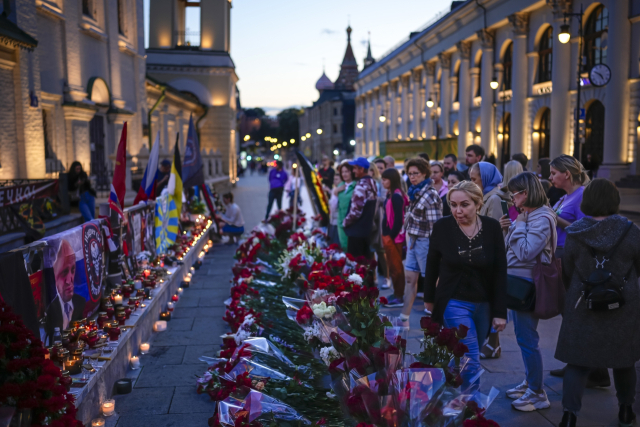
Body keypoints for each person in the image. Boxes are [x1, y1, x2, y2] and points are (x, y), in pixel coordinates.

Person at [555, 179, 640, 427]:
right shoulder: (631, 231)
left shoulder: (575, 231)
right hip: (623, 305)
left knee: (578, 361)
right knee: (624, 361)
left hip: (583, 303)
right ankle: (626, 411)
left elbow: (567, 269)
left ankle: (569, 416)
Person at [424, 181, 507, 391]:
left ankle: (439, 389)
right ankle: (471, 411)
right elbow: (431, 265)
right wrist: (429, 301)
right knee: (471, 358)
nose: (457, 211)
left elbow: (500, 271)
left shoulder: (492, 227)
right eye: (453, 205)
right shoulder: (443, 227)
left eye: (464, 204)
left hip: (484, 304)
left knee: (462, 356)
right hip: (453, 301)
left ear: (478, 203)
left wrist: (500, 312)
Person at [548, 156, 610, 386]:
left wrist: (555, 218)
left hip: (572, 259)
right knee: (571, 316)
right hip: (561, 256)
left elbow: (586, 229)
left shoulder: (582, 194)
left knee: (577, 315)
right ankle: (578, 364)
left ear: (567, 173)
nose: (550, 177)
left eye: (554, 172)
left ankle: (594, 370)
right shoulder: (565, 196)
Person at [501, 172, 556, 412]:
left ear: (525, 193)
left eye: (514, 193)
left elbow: (524, 252)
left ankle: (537, 392)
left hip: (526, 286)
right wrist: (509, 230)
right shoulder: (529, 215)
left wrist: (518, 226)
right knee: (523, 338)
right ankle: (529, 382)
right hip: (517, 282)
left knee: (527, 339)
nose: (511, 198)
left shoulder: (540, 217)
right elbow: (512, 248)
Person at [469, 161, 511, 359]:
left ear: (484, 179)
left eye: (474, 179)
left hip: (490, 257)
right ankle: (492, 343)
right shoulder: (486, 196)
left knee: (491, 301)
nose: (472, 182)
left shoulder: (493, 198)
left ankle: (493, 344)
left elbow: (494, 232)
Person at [400, 157, 442, 328]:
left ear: (424, 173)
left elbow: (435, 226)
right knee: (410, 279)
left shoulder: (430, 194)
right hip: (414, 240)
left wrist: (435, 250)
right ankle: (403, 319)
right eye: (409, 174)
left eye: (415, 173)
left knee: (432, 280)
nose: (412, 177)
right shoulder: (415, 191)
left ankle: (438, 319)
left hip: (426, 242)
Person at [45, 239, 86, 343]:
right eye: (64, 272)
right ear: (53, 274)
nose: (69, 280)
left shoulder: (80, 302)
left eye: (72, 270)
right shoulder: (49, 311)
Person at [381, 168, 409, 307]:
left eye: (385, 179)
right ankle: (396, 293)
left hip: (394, 237)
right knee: (392, 266)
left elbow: (399, 220)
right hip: (389, 236)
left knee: (396, 267)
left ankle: (399, 296)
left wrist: (390, 236)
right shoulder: (390, 194)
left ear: (391, 180)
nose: (382, 182)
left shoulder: (397, 196)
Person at [343, 158, 378, 259]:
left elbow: (355, 212)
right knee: (365, 264)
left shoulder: (361, 185)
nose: (353, 171)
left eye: (354, 168)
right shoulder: (372, 182)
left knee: (356, 266)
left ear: (361, 169)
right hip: (366, 231)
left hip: (356, 233)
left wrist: (345, 222)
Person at [368, 161, 388, 287]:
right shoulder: (363, 183)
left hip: (379, 217)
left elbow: (384, 199)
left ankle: (386, 277)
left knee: (381, 250)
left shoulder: (380, 182)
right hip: (368, 219)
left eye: (370, 171)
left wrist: (373, 199)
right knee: (370, 250)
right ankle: (373, 276)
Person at [335, 161, 356, 250]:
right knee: (344, 247)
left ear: (351, 171)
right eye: (342, 172)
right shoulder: (340, 185)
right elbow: (334, 205)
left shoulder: (356, 185)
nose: (344, 174)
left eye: (346, 171)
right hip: (341, 222)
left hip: (352, 223)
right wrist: (335, 192)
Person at [328, 173, 342, 245]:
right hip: (332, 221)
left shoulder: (340, 191)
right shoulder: (334, 189)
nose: (334, 181)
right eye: (334, 179)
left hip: (337, 221)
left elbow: (334, 206)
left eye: (337, 179)